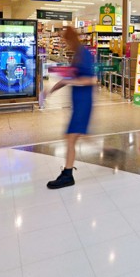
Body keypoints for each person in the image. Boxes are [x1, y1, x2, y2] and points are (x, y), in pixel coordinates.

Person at [46, 26, 96, 189]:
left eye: (65, 40)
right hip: (78, 103)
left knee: (71, 137)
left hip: (83, 103)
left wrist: (70, 81)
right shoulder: (77, 55)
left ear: (70, 39)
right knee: (71, 137)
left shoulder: (84, 54)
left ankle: (67, 175)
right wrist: (50, 91)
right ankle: (68, 173)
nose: (64, 44)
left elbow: (91, 80)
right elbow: (68, 78)